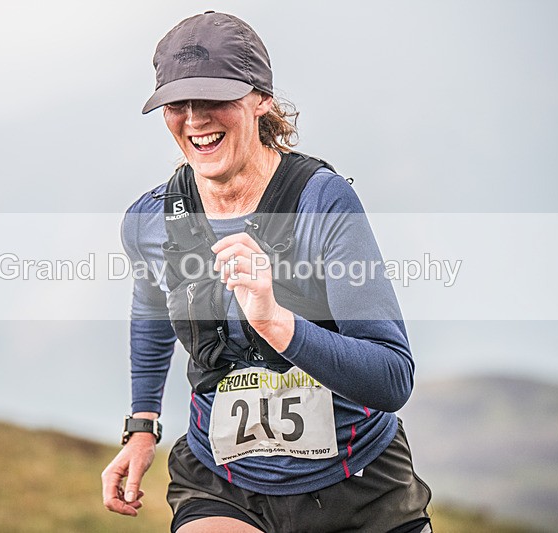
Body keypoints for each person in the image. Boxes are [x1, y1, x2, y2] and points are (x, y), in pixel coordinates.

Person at [102, 11, 432, 533]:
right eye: (177, 103)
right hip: (222, 482)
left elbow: (392, 379)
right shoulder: (150, 220)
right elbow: (150, 306)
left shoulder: (323, 202)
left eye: (213, 99)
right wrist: (142, 426)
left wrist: (276, 322)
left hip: (357, 483)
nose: (194, 119)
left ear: (262, 99)